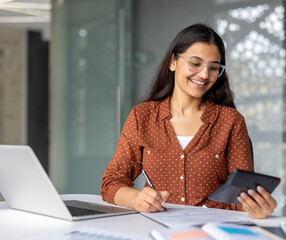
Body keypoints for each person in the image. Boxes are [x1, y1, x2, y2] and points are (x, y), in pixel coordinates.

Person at [101, 23, 277, 219]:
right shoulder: (142, 116)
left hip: (214, 231)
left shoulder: (231, 121)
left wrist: (257, 208)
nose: (204, 74)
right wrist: (136, 199)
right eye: (195, 63)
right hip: (157, 230)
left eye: (213, 68)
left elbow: (241, 198)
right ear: (173, 62)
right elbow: (111, 183)